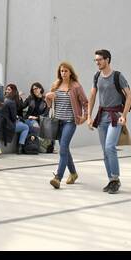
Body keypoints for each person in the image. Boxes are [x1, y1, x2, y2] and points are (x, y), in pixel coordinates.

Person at [86, 48, 131, 192]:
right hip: (102, 117)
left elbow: (129, 96)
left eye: (99, 60)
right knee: (105, 151)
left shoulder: (118, 76)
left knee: (109, 146)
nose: (97, 62)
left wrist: (124, 115)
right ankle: (111, 180)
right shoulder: (96, 76)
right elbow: (92, 97)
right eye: (96, 60)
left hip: (115, 116)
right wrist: (89, 116)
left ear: (107, 60)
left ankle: (116, 178)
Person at [46, 61, 88, 189]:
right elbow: (49, 104)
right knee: (65, 149)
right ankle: (73, 173)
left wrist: (85, 117)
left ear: (70, 72)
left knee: (63, 147)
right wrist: (48, 96)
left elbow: (86, 103)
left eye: (65, 71)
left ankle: (58, 177)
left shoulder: (76, 86)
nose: (63, 73)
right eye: (61, 71)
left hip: (70, 121)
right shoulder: (56, 85)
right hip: (57, 122)